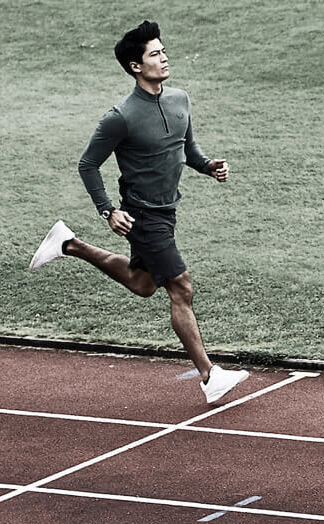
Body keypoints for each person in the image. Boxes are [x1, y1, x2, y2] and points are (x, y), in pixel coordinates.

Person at [29, 20, 248, 404]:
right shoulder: (121, 116)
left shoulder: (179, 99)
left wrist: (209, 165)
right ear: (135, 66)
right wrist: (108, 212)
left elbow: (186, 148)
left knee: (143, 284)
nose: (164, 58)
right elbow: (88, 165)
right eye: (155, 54)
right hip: (142, 215)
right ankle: (209, 375)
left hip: (167, 211)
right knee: (181, 286)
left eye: (163, 51)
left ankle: (69, 244)